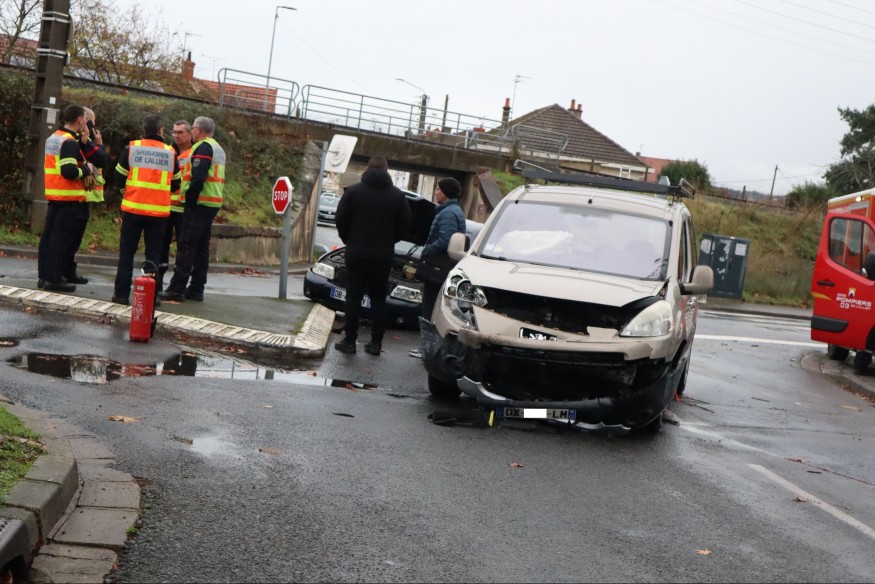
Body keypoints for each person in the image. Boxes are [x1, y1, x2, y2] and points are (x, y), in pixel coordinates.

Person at [333, 155, 411, 356]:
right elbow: (405, 226)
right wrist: (389, 240)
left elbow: (340, 217)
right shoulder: (397, 196)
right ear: (387, 171)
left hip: (356, 252)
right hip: (382, 255)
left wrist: (347, 238)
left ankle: (350, 340)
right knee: (378, 298)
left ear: (367, 169)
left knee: (353, 296)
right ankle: (376, 343)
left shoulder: (353, 192)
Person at [111, 114, 180, 306]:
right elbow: (176, 184)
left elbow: (118, 178)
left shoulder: (131, 149)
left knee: (126, 252)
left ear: (144, 130)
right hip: (158, 213)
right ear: (160, 131)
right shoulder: (170, 152)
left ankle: (121, 294)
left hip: (133, 209)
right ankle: (150, 296)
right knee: (153, 256)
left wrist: (128, 192)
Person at [159, 116, 226, 303]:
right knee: (201, 248)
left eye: (193, 129)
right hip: (211, 203)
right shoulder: (217, 147)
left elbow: (198, 177)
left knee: (186, 246)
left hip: (199, 203)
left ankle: (176, 288)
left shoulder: (203, 147)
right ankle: (196, 288)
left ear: (197, 130)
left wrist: (189, 201)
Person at [37, 104, 97, 292]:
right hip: (69, 198)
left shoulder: (53, 138)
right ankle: (54, 279)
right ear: (79, 119)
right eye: (85, 121)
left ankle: (44, 276)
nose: (86, 124)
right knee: (60, 241)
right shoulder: (69, 142)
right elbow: (69, 171)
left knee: (48, 240)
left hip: (55, 195)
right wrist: (88, 169)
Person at [62, 106, 107, 286]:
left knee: (73, 239)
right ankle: (66, 272)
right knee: (70, 239)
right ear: (84, 120)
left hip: (82, 195)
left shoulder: (81, 140)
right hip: (77, 195)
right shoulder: (76, 141)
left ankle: (69, 271)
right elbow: (99, 160)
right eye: (92, 122)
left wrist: (95, 143)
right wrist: (95, 144)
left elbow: (99, 160)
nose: (93, 126)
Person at [420, 177, 466, 319]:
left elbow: (445, 240)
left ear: (446, 192)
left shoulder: (448, 213)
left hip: (438, 267)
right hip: (442, 267)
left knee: (430, 309)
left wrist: (427, 250)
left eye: (438, 189)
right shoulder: (451, 210)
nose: (435, 192)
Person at [157, 120, 193, 292]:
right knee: (161, 245)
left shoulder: (196, 153)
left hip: (184, 208)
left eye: (180, 132)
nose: (176, 136)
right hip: (166, 205)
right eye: (174, 132)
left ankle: (178, 284)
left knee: (183, 248)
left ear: (190, 134)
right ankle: (157, 281)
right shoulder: (169, 152)